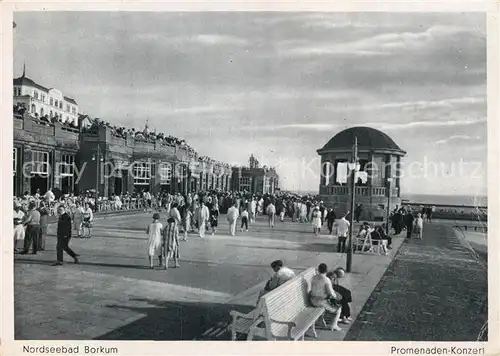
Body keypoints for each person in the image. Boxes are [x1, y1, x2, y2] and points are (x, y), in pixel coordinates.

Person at [309, 263, 342, 331]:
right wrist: (335, 296)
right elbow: (331, 293)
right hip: (321, 302)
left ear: (318, 270)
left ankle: (320, 320)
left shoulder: (314, 278)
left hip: (312, 300)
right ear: (326, 270)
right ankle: (333, 325)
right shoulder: (326, 280)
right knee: (338, 309)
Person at [163, 202, 181, 269]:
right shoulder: (176, 211)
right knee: (175, 252)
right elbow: (179, 218)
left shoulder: (166, 227)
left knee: (166, 254)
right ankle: (176, 263)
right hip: (173, 241)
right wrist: (178, 242)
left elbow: (164, 235)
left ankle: (166, 265)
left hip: (167, 242)